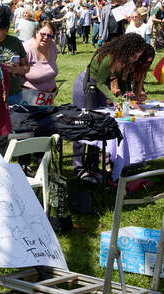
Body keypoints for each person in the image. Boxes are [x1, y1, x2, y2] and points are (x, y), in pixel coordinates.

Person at [72, 33, 149, 177]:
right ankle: (79, 167)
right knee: (83, 126)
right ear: (127, 49)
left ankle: (92, 166)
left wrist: (129, 98)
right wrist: (117, 101)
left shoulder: (125, 60)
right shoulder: (109, 58)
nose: (135, 59)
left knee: (98, 127)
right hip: (87, 87)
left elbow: (122, 82)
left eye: (137, 57)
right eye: (134, 56)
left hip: (99, 89)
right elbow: (101, 83)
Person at [0, 5, 28, 105]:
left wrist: (17, 69)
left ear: (6, 28)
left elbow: (26, 67)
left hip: (13, 95)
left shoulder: (15, 42)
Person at [22, 20, 58, 94]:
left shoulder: (52, 45)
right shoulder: (26, 49)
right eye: (43, 34)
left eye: (49, 35)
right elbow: (16, 73)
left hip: (49, 96)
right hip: (29, 95)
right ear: (36, 32)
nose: (46, 37)